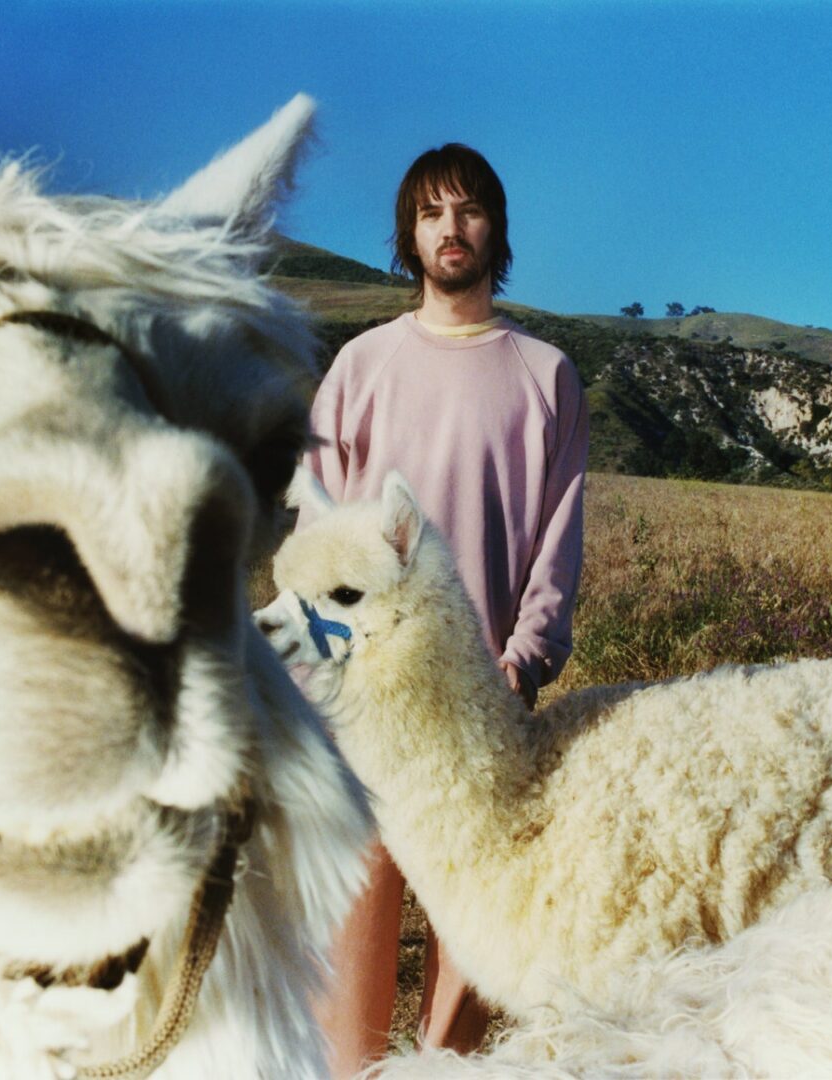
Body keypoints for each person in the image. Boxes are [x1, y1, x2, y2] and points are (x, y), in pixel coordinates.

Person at [303, 143, 590, 1077]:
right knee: (354, 920)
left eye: (468, 211)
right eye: (431, 213)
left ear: (495, 231)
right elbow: (318, 530)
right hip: (367, 702)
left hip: (484, 698)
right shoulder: (360, 366)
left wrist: (527, 656)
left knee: (478, 923)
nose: (450, 228)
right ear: (409, 235)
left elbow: (559, 532)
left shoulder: (545, 375)